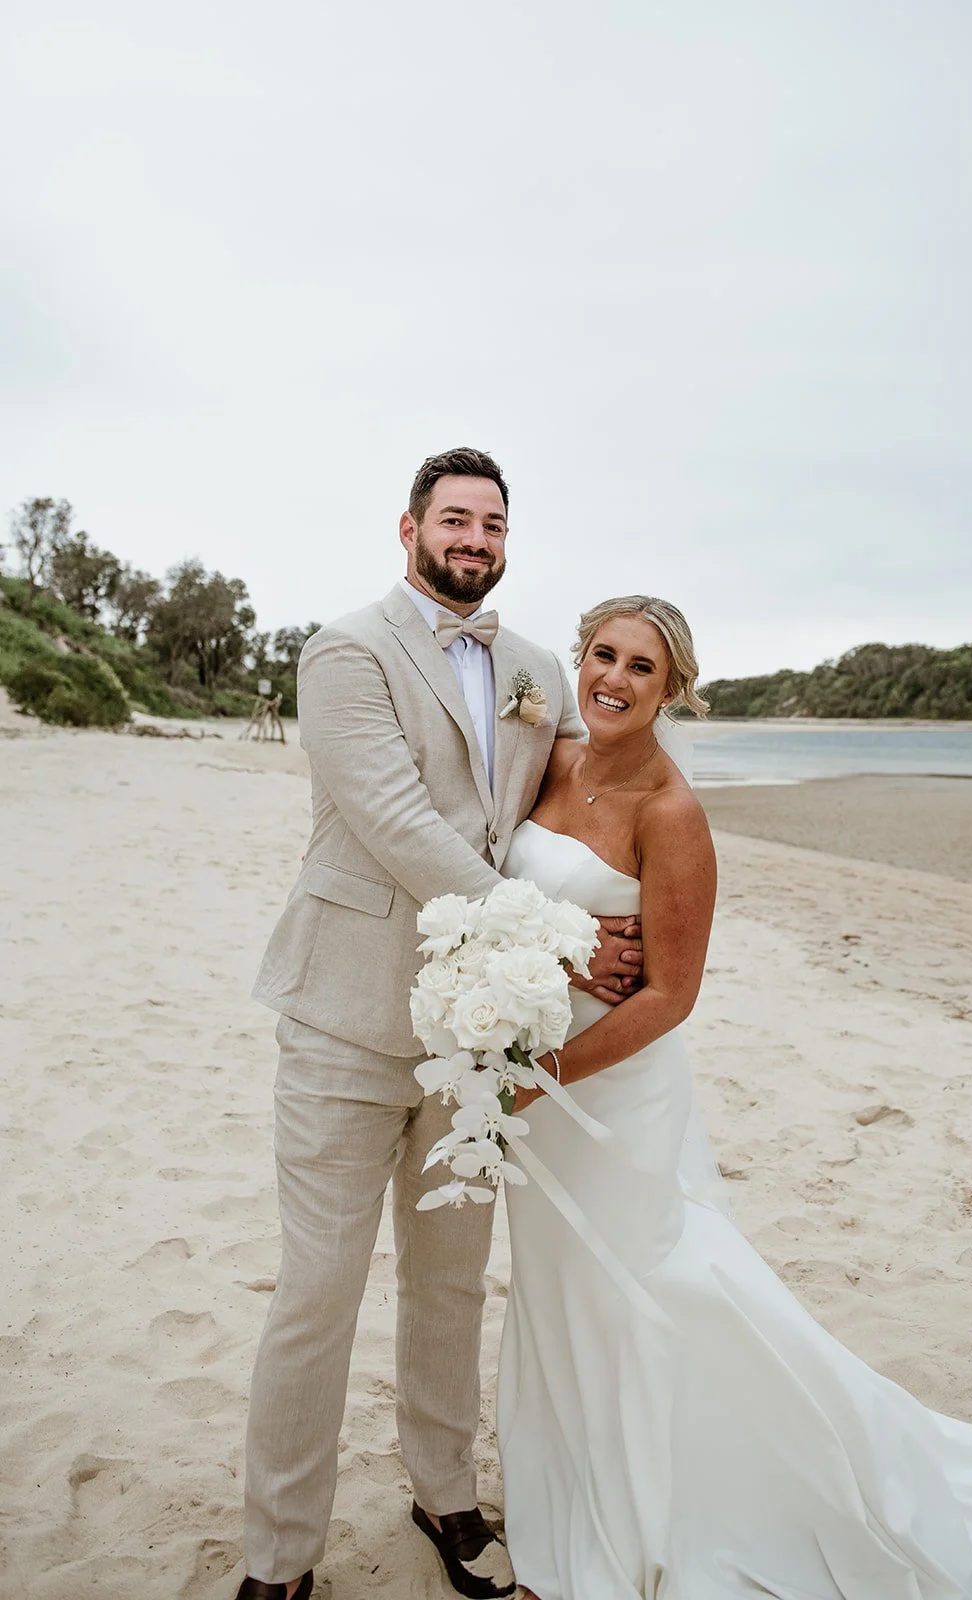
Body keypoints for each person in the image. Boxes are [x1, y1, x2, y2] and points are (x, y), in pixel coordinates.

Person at [495, 594, 972, 1600]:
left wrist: (543, 1077)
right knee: (553, 1297)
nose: (612, 681)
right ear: (579, 659)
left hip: (606, 1094)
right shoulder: (551, 762)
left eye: (640, 669)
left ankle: (629, 1534)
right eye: (602, 656)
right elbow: (514, 895)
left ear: (673, 691)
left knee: (644, 1294)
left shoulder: (672, 811)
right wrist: (547, 969)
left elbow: (671, 994)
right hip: (529, 1080)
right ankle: (566, 1507)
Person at [234, 450, 643, 1600]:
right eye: (454, 518)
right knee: (317, 1290)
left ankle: (444, 1494)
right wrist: (550, 938)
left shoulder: (532, 669)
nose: (473, 536)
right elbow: (396, 822)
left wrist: (624, 904)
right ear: (408, 527)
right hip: (345, 1016)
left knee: (453, 1281)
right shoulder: (345, 649)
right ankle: (278, 1556)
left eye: (492, 521)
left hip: (478, 1034)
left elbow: (577, 801)